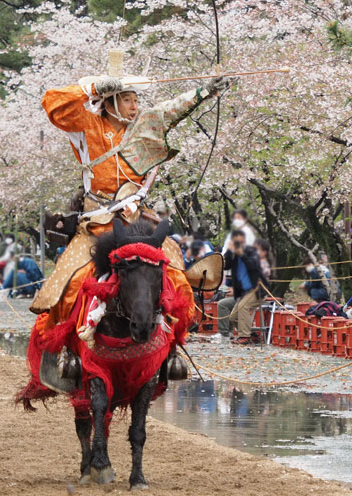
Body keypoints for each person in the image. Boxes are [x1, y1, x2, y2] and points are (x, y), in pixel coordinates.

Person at [29, 51, 230, 347]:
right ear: (110, 101)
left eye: (136, 99)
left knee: (176, 273)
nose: (134, 106)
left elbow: (170, 109)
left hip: (139, 222)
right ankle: (67, 350)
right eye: (126, 99)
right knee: (68, 282)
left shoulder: (143, 125)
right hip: (96, 222)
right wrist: (95, 87)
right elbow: (52, 102)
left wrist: (205, 91)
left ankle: (171, 347)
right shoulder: (88, 124)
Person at [224, 230, 268, 346]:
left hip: (256, 290)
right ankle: (252, 335)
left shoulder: (252, 251)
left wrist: (241, 253)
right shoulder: (233, 254)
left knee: (243, 307)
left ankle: (244, 336)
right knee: (233, 317)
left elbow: (253, 266)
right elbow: (225, 265)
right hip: (243, 292)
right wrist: (229, 251)